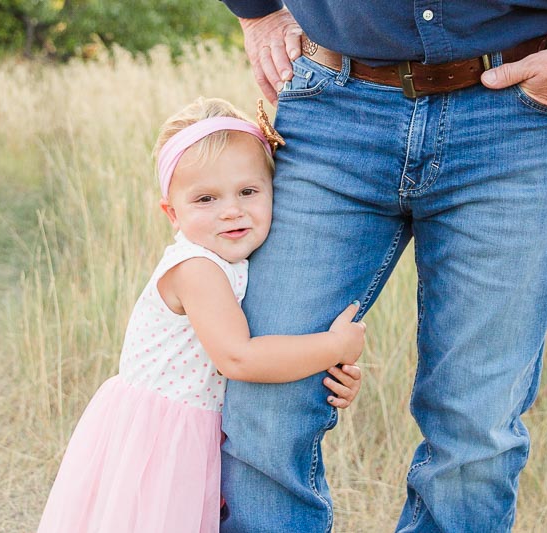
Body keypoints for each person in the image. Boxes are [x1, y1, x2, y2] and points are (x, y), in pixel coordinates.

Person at [217, 1, 547, 532]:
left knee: (476, 430)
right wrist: (258, 11)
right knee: (267, 404)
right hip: (331, 109)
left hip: (515, 116)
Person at [37, 97, 366, 533]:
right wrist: (333, 345)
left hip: (193, 434)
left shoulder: (235, 261)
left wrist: (325, 369)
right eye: (206, 198)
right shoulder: (197, 268)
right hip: (163, 441)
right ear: (172, 213)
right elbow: (239, 358)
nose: (231, 210)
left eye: (248, 191)